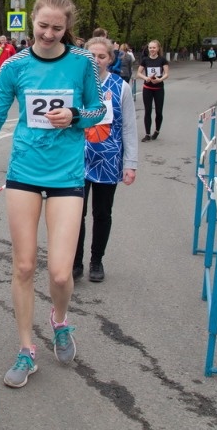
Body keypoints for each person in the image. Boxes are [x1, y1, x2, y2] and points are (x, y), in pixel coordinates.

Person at [0, 0, 108, 389]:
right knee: (25, 265)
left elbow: (98, 109)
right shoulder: (13, 67)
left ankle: (60, 321)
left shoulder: (82, 62)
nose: (48, 34)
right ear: (32, 21)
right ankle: (26, 349)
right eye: (43, 26)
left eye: (57, 28)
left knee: (61, 274)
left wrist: (76, 116)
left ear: (68, 29)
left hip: (66, 175)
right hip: (25, 174)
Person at [73, 37, 138, 283]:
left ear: (110, 59)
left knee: (102, 213)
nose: (96, 61)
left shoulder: (120, 87)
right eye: (92, 56)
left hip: (108, 161)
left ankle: (96, 260)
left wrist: (130, 163)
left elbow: (129, 128)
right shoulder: (76, 85)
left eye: (102, 56)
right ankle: (75, 262)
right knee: (75, 212)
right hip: (77, 159)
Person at [137, 40, 169, 142]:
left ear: (158, 49)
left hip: (159, 88)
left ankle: (157, 130)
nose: (152, 50)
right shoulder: (145, 60)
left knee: (159, 112)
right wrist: (145, 78)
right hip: (147, 88)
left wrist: (160, 79)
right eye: (150, 48)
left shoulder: (162, 60)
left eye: (154, 48)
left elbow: (166, 74)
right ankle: (147, 134)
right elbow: (138, 73)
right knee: (148, 111)